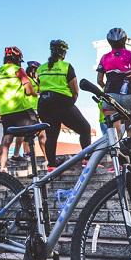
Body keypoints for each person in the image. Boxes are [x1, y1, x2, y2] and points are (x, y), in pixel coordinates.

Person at [37, 39, 93, 171]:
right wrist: (71, 101)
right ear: (63, 53)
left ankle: (51, 165)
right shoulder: (66, 67)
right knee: (85, 129)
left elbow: (39, 87)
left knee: (51, 135)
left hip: (44, 104)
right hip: (62, 102)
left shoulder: (41, 68)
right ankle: (87, 160)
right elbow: (74, 89)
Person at [0, 46, 41, 173]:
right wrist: (35, 94)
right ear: (17, 59)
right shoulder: (19, 70)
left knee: (7, 138)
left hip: (6, 111)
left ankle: (2, 167)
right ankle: (46, 163)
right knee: (41, 132)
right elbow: (29, 91)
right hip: (21, 109)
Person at [97, 27, 131, 135]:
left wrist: (106, 88)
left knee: (115, 133)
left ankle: (116, 149)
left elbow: (99, 80)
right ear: (124, 40)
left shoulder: (105, 58)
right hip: (129, 95)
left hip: (110, 96)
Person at [10, 60, 40, 162]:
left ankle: (24, 152)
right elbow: (28, 92)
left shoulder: (36, 80)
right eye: (36, 71)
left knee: (31, 132)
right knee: (26, 132)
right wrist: (37, 93)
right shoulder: (27, 80)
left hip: (36, 107)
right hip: (28, 106)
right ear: (32, 71)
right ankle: (25, 152)